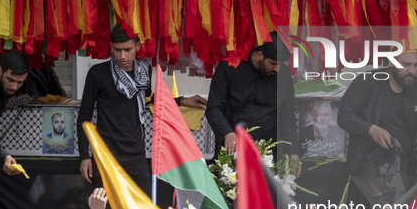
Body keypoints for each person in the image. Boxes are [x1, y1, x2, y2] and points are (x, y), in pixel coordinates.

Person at [77, 24, 207, 193]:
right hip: (105, 153)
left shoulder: (144, 71)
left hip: (135, 154)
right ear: (111, 47)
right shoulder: (97, 73)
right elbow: (84, 116)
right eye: (117, 50)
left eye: (127, 49)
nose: (122, 56)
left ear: (137, 47)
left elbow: (149, 100)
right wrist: (84, 157)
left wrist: (181, 101)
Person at [338, 50, 417, 206]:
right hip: (372, 163)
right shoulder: (367, 81)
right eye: (405, 65)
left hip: (406, 164)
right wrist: (371, 129)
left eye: (415, 65)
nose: (411, 71)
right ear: (391, 62)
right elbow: (344, 115)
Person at [206, 31, 298, 160]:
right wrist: (227, 132)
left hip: (271, 154)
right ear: (259, 54)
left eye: (280, 65)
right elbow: (213, 108)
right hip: (234, 152)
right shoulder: (228, 68)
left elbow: (287, 114)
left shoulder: (282, 74)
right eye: (273, 63)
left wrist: (293, 151)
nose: (276, 69)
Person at [0, 50, 30, 176]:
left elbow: (29, 96)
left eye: (20, 82)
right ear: (0, 71)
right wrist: (4, 157)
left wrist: (5, 101)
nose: (14, 87)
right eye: (10, 80)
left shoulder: (0, 85)